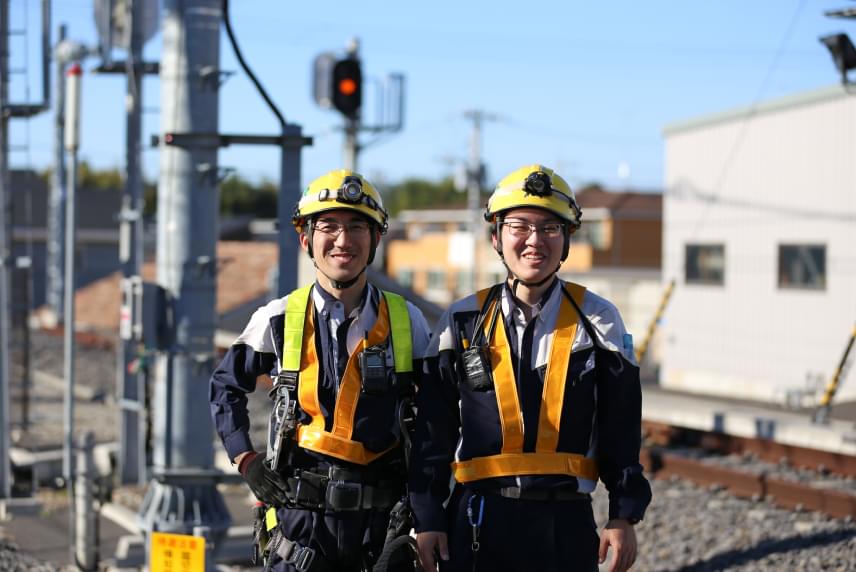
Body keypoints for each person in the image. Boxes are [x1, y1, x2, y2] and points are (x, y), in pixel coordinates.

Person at [408, 165, 652, 572]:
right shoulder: (463, 319)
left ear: (568, 240)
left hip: (566, 524)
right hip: (477, 522)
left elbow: (621, 427)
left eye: (550, 228)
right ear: (496, 237)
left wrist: (623, 514)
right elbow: (433, 431)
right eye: (519, 226)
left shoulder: (598, 319)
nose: (535, 240)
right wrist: (428, 517)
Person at [210, 169, 430, 571]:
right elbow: (225, 386)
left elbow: (437, 418)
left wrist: (428, 511)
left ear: (376, 239)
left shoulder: (407, 322)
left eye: (357, 227)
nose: (343, 240)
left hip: (379, 536)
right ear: (306, 239)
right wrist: (246, 459)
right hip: (300, 534)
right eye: (329, 226)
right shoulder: (278, 318)